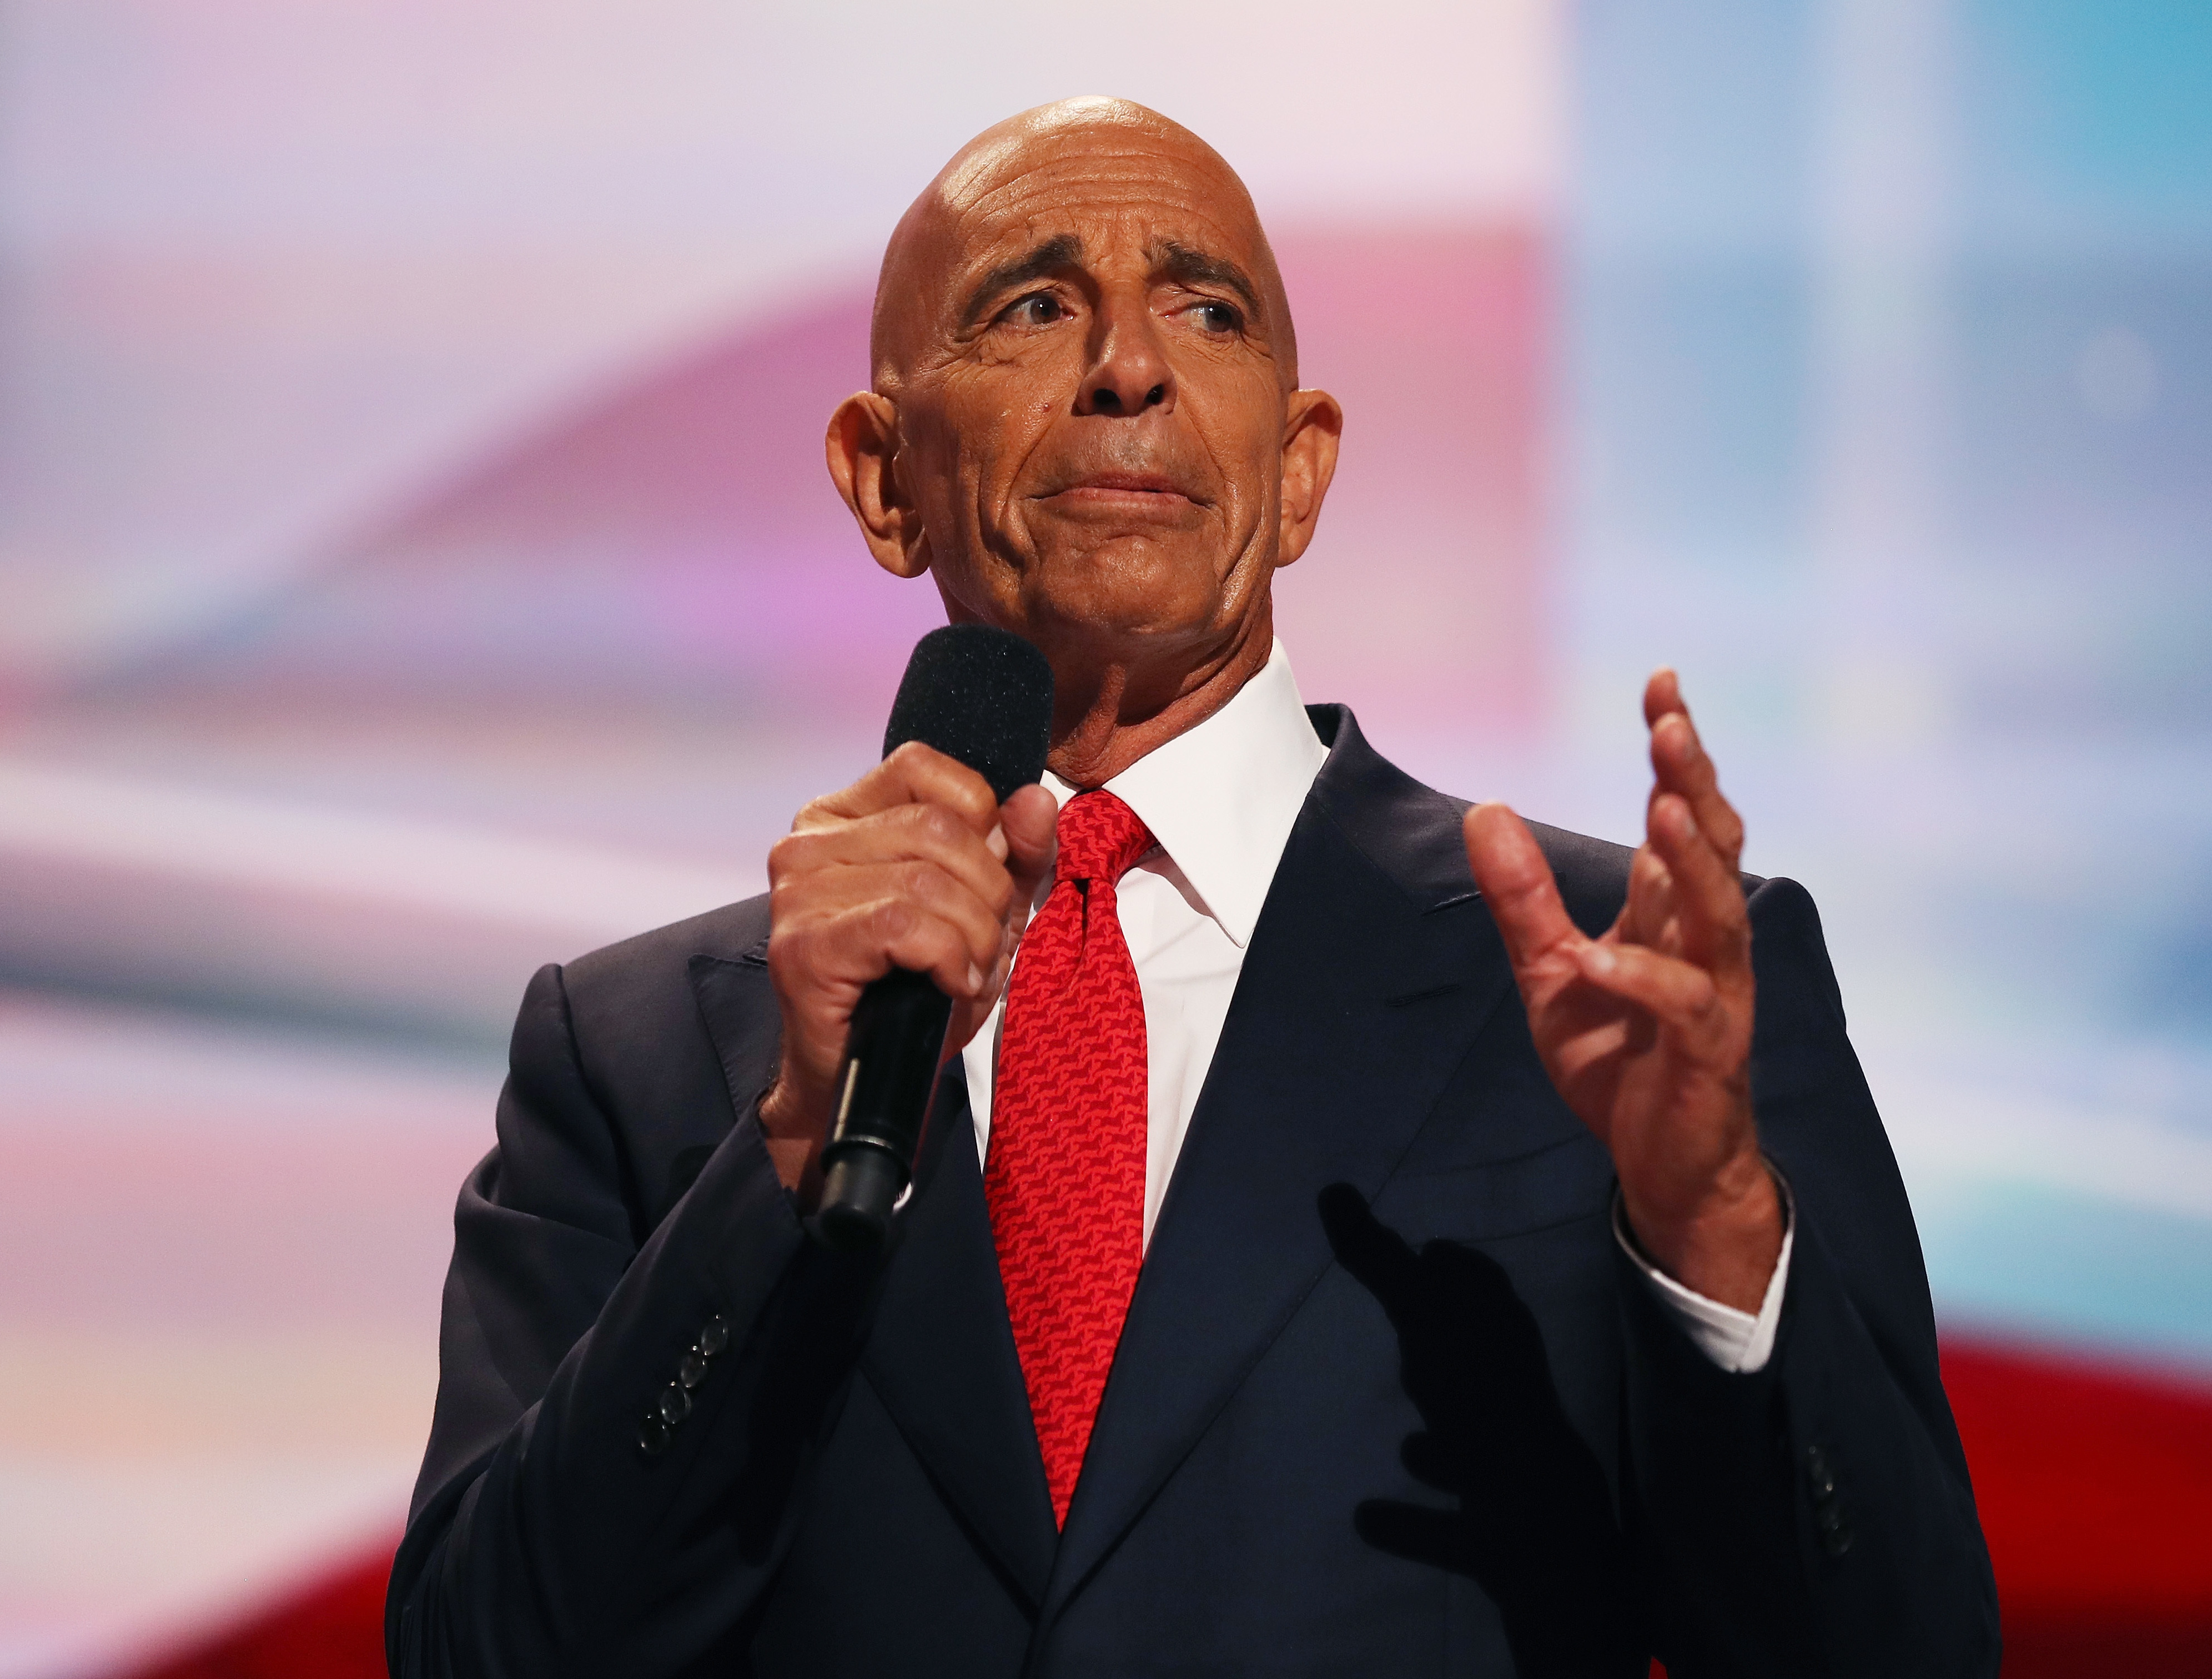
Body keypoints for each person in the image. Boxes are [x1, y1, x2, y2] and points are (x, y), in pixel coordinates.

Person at [386, 98, 1998, 1677]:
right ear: (884, 478)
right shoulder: (640, 1057)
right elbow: (482, 1649)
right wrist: (795, 1154)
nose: (1131, 369)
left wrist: (1711, 1225)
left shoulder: (1624, 998)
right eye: (1033, 306)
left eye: (1205, 311)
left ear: (1299, 473)